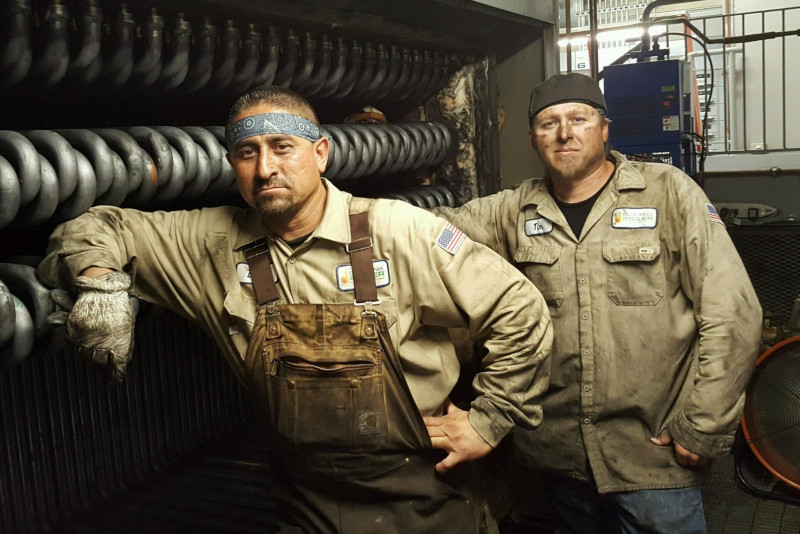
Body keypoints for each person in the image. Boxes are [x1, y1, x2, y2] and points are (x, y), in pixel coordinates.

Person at [36, 85, 552, 532]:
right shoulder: (212, 242)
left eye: (283, 147)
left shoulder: (397, 229)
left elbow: (520, 309)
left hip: (425, 498)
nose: (265, 168)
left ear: (321, 153)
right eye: (247, 152)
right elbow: (93, 226)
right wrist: (100, 284)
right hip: (305, 503)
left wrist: (489, 419)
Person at [433, 72, 762, 533]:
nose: (564, 132)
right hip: (560, 457)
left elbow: (734, 312)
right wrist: (334, 205)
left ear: (604, 129)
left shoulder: (668, 193)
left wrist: (705, 424)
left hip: (653, 456)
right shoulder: (512, 211)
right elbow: (428, 230)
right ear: (533, 139)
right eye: (549, 123)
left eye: (579, 119)